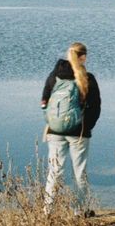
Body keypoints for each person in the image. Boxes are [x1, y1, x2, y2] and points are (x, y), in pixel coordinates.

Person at [40, 42, 101, 215]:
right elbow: (95, 108)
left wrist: (51, 122)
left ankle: (47, 211)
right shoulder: (88, 78)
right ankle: (80, 211)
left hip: (55, 131)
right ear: (83, 57)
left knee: (54, 172)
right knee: (79, 173)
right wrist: (86, 127)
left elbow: (44, 102)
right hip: (79, 133)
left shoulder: (55, 76)